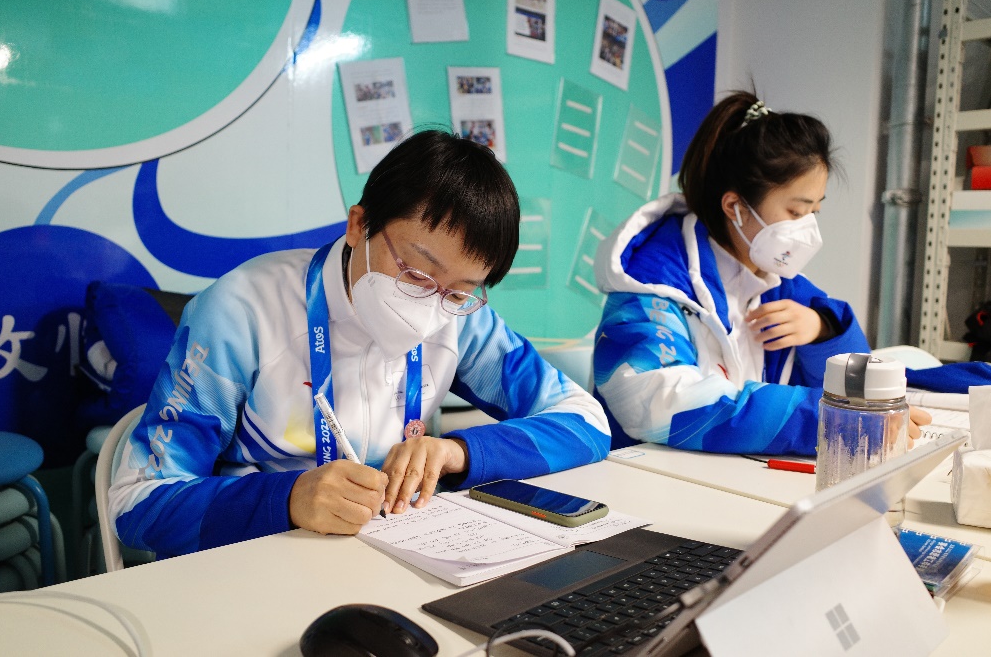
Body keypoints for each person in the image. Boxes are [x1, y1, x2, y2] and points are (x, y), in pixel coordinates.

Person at [109, 130, 610, 558]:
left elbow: (586, 421)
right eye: (416, 273)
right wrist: (288, 500)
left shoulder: (462, 321)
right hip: (256, 559)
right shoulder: (241, 311)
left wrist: (457, 452)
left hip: (395, 554)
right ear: (358, 225)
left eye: (459, 291)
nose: (430, 307)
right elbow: (137, 503)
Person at [592, 91, 929, 455]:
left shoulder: (781, 284)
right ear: (735, 206)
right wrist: (831, 423)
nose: (808, 230)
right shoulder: (650, 287)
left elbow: (862, 385)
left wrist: (822, 331)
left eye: (815, 211)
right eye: (796, 212)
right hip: (649, 475)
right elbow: (663, 403)